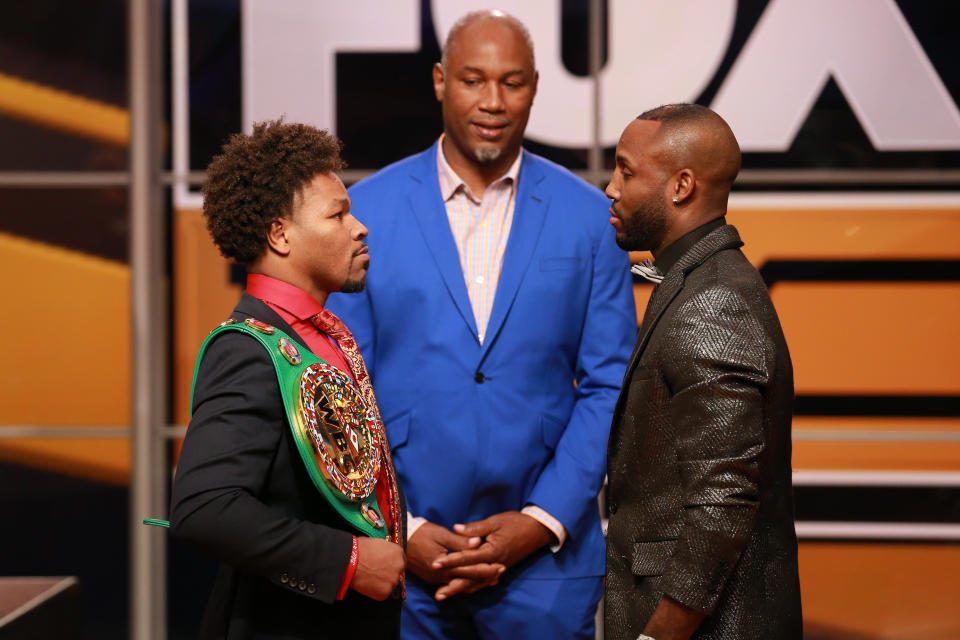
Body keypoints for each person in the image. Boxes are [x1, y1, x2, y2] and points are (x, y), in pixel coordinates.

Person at [325, 9, 636, 640]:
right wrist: (398, 528)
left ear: (535, 88)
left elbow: (612, 384)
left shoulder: (590, 218)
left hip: (544, 563)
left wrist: (541, 519)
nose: (493, 101)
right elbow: (337, 383)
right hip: (400, 559)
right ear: (440, 82)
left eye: (512, 82)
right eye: (473, 79)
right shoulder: (366, 212)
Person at [169, 120, 407, 639]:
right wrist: (346, 560)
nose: (359, 227)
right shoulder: (246, 350)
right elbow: (203, 508)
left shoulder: (319, 335)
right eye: (337, 214)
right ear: (279, 234)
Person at [603, 103, 802, 640]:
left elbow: (724, 499)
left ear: (681, 186)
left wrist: (658, 635)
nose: (610, 188)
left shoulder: (711, 301)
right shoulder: (695, 282)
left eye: (626, 170)